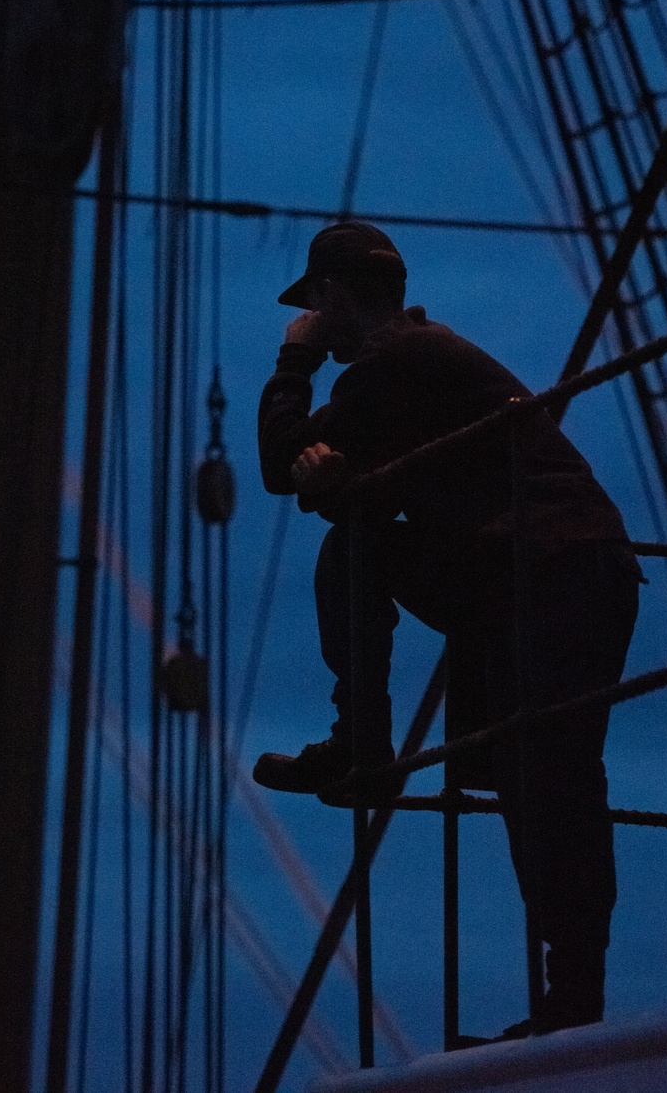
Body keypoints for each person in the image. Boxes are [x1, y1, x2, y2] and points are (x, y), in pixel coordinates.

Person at [253, 221, 640, 1035]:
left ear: (328, 297)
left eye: (313, 304)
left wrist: (296, 362)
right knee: (535, 778)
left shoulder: (395, 362)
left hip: (555, 571)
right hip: (532, 570)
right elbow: (344, 481)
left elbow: (277, 457)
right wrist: (335, 480)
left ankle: (573, 1004)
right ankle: (363, 740)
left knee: (551, 781)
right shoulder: (410, 365)